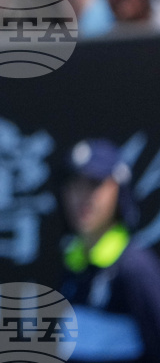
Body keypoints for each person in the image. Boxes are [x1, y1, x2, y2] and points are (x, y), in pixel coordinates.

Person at [60, 139, 160, 362]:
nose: (81, 196)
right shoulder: (73, 265)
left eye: (94, 184)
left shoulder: (136, 268)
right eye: (74, 183)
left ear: (118, 189)